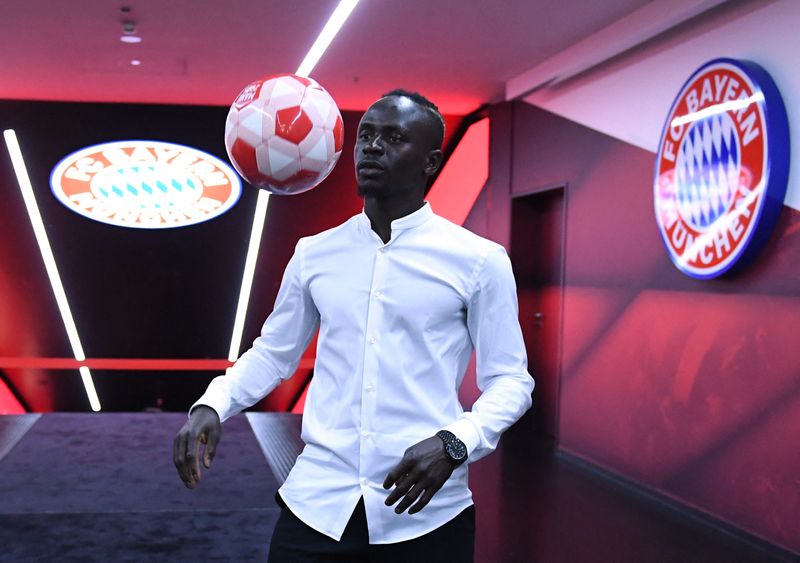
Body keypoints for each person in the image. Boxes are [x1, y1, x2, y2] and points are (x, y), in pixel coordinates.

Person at [173, 89, 534, 562]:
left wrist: (454, 443)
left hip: (426, 516)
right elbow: (272, 353)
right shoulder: (314, 253)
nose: (372, 147)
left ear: (430, 162)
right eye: (366, 136)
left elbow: (511, 381)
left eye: (393, 137)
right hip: (317, 505)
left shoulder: (479, 261)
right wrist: (213, 404)